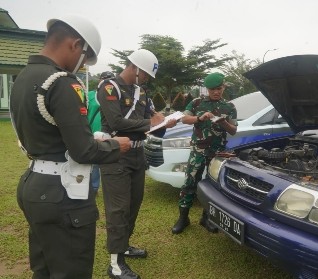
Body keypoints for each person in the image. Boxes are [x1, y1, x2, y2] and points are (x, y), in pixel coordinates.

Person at [9, 15, 131, 279]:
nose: (84, 66)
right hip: (61, 192)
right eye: (86, 58)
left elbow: (51, 133)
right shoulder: (62, 82)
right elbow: (83, 151)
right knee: (71, 271)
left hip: (35, 183)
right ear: (75, 44)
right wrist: (115, 146)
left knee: (44, 268)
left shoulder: (23, 77)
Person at [97, 49, 165, 279]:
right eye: (145, 74)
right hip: (115, 154)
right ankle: (115, 263)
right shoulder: (108, 87)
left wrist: (165, 122)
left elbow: (152, 119)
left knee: (133, 204)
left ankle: (124, 245)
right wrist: (149, 122)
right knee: (118, 209)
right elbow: (116, 120)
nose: (146, 78)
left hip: (137, 155)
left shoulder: (141, 91)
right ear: (135, 68)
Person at [172, 72, 237, 234]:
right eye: (213, 89)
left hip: (217, 153)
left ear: (223, 88)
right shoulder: (196, 103)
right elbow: (184, 119)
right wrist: (200, 118)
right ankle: (183, 218)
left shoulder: (229, 106)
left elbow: (234, 130)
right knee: (189, 183)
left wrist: (223, 123)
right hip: (198, 151)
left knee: (213, 186)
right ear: (207, 89)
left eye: (219, 88)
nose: (216, 92)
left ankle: (206, 218)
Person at [87, 71, 115, 194]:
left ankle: (110, 188)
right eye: (104, 79)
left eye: (110, 79)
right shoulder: (90, 96)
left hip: (110, 133)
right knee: (95, 162)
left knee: (110, 160)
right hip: (93, 132)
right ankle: (93, 188)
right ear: (99, 80)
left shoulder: (115, 96)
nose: (107, 82)